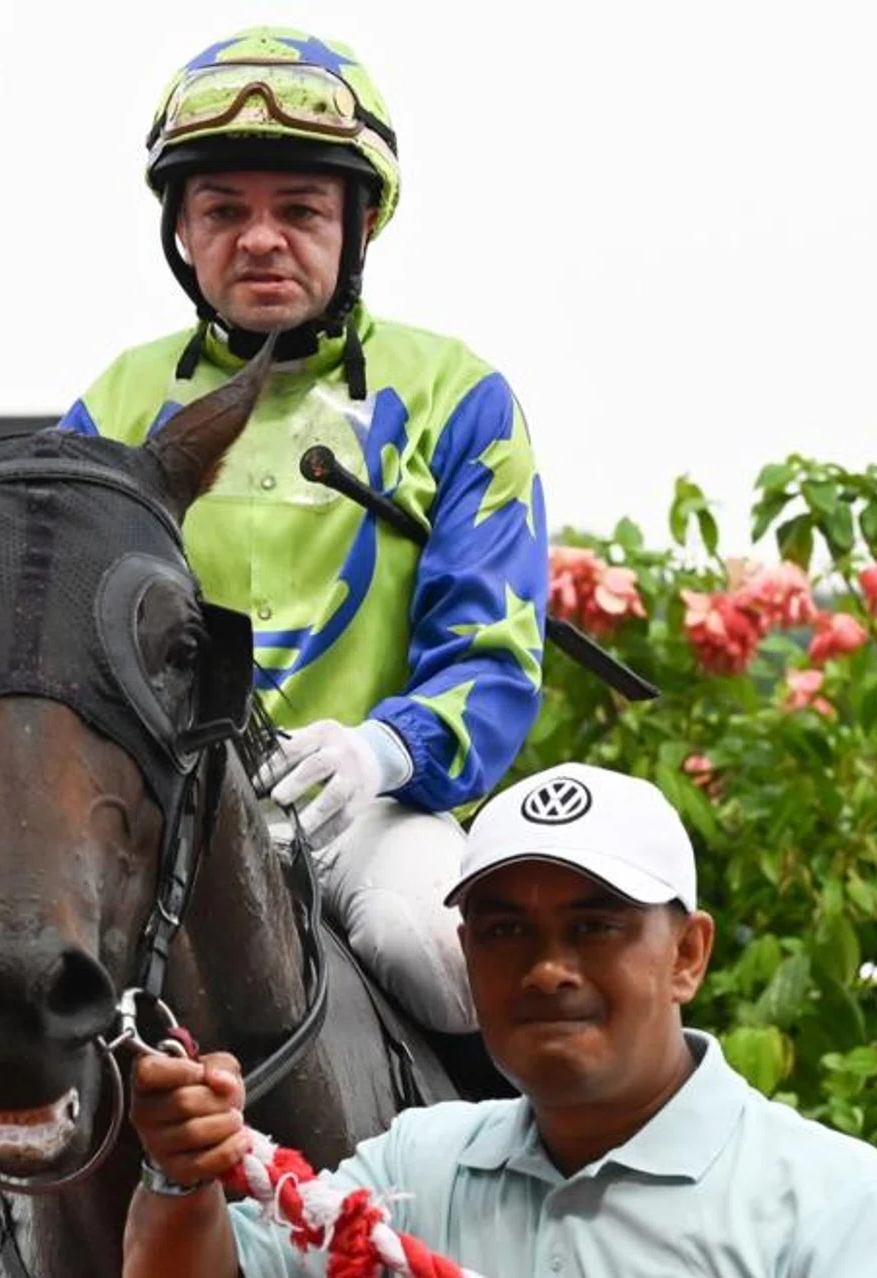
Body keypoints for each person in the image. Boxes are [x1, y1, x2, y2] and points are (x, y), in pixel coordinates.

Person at [58, 25, 549, 1044]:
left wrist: (383, 749)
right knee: (4, 959)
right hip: (157, 811)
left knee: (442, 952)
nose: (262, 238)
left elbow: (495, 657)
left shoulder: (461, 397)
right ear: (183, 232)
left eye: (300, 209)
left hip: (367, 811)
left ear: (360, 224)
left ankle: (519, 1195)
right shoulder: (110, 408)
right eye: (224, 210)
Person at [125, 761, 877, 1277]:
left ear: (689, 956)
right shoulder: (419, 1169)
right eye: (505, 931)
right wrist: (179, 1173)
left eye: (595, 927)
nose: (548, 970)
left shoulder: (827, 1205)